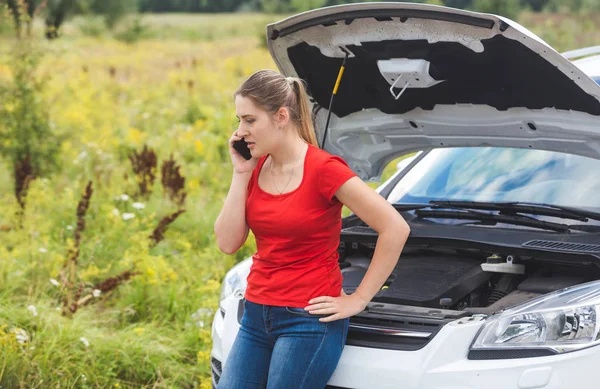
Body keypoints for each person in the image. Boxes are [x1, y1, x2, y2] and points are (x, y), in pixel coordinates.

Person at [214, 69, 410, 389]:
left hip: (306, 322)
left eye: (249, 120)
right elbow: (227, 242)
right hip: (255, 315)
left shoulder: (324, 169)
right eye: (238, 120)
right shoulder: (255, 165)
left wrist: (359, 299)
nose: (240, 131)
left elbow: (394, 227)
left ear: (280, 116)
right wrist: (241, 173)